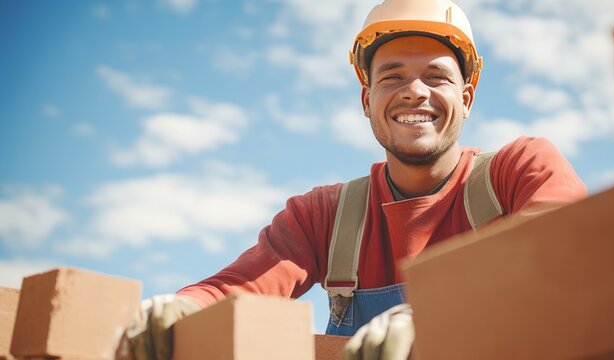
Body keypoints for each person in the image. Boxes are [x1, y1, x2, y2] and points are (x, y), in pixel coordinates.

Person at [123, 0, 587, 359]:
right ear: (367, 99)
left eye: (436, 76)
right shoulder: (326, 216)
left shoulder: (519, 172)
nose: (414, 90)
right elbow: (232, 291)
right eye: (392, 76)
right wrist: (180, 312)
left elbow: (568, 255)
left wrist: (445, 319)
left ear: (467, 97)